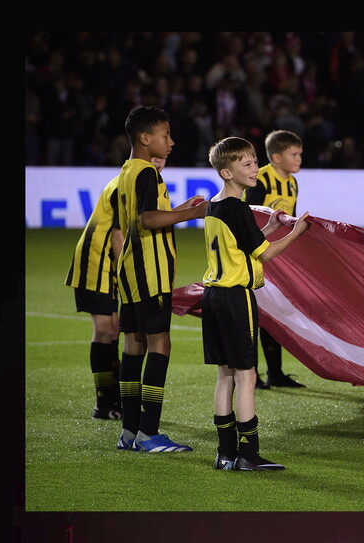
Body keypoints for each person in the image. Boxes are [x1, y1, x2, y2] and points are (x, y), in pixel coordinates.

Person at [203, 136, 311, 470]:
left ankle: (225, 453)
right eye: (246, 164)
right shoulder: (237, 208)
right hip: (237, 298)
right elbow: (266, 253)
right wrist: (296, 232)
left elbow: (239, 242)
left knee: (225, 377)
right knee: (246, 377)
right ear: (226, 172)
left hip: (213, 297)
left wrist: (268, 226)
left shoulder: (214, 205)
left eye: (254, 162)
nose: (254, 169)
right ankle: (249, 455)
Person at [114, 105, 207, 453]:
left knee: (134, 345)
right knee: (160, 344)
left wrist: (181, 209)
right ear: (145, 137)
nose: (171, 142)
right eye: (165, 135)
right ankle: (149, 433)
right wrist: (195, 213)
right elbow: (149, 220)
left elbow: (142, 217)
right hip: (150, 273)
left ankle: (128, 432)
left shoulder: (127, 171)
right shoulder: (148, 174)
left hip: (130, 272)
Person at [64, 156, 163, 420]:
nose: (160, 163)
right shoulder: (129, 182)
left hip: (107, 259)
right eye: (155, 158)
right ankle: (104, 402)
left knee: (115, 328)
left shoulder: (132, 179)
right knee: (106, 329)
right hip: (97, 258)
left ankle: (115, 398)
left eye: (163, 159)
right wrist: (127, 271)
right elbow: (119, 233)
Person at [242, 130, 308, 388]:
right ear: (277, 157)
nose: (299, 158)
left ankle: (275, 373)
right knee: (256, 314)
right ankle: (252, 374)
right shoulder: (261, 179)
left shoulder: (292, 182)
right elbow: (252, 216)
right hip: (260, 255)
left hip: (279, 256)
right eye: (294, 154)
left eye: (300, 153)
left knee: (275, 312)